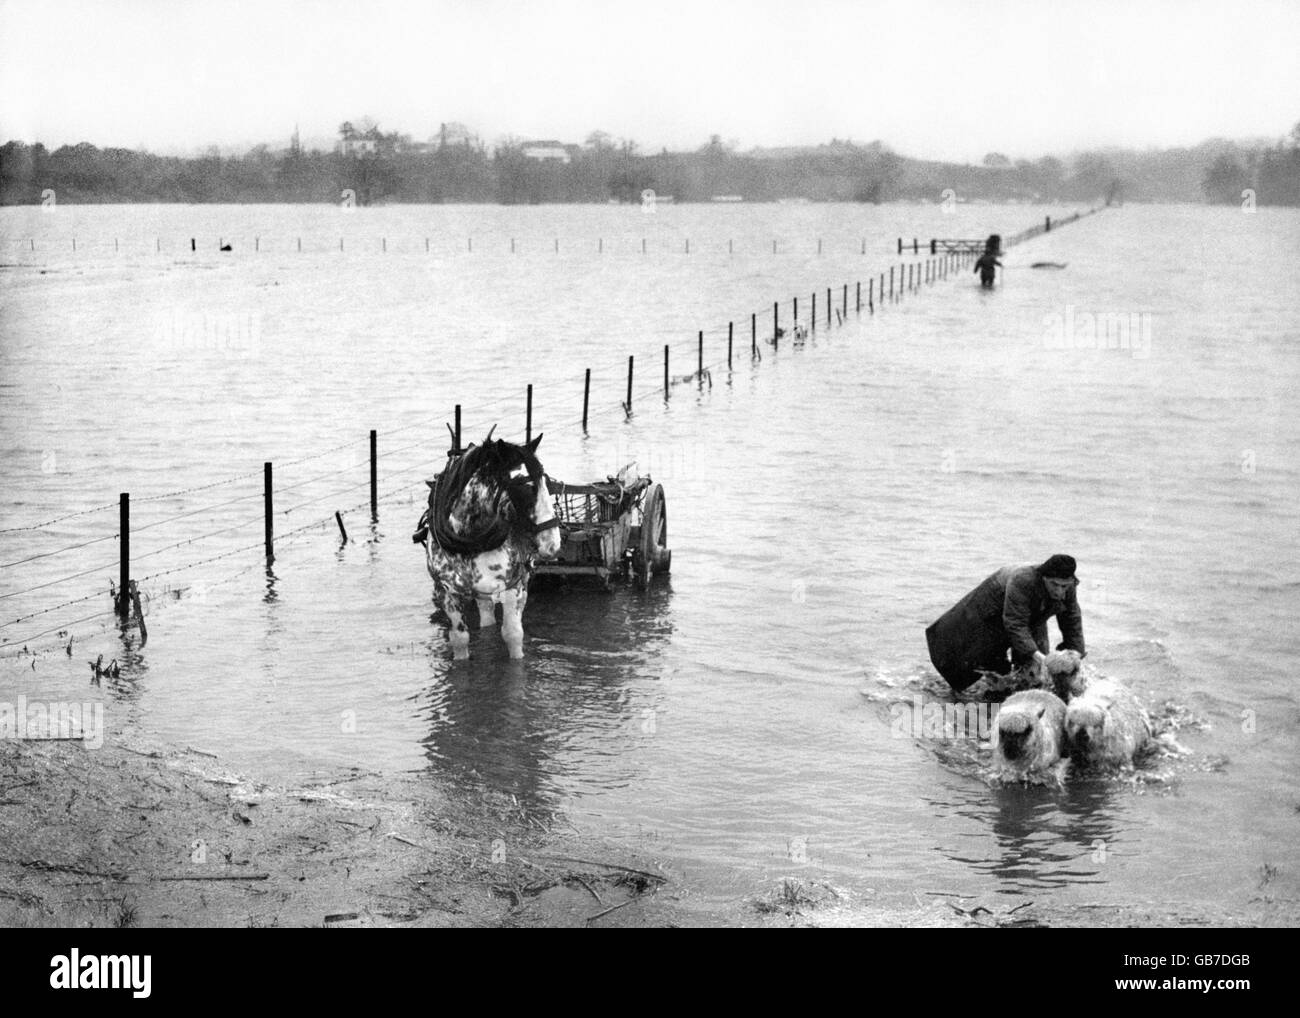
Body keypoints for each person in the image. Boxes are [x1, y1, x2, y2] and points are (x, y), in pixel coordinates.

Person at [925, 554, 1085, 692]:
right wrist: (1042, 658)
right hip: (993, 607)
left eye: (1064, 586)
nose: (1059, 591)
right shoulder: (1023, 580)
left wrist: (1076, 654)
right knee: (983, 663)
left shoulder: (1068, 587)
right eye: (1054, 584)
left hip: (1032, 614)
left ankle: (1023, 689)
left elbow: (1072, 620)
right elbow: (1015, 624)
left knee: (1035, 673)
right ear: (1044, 578)